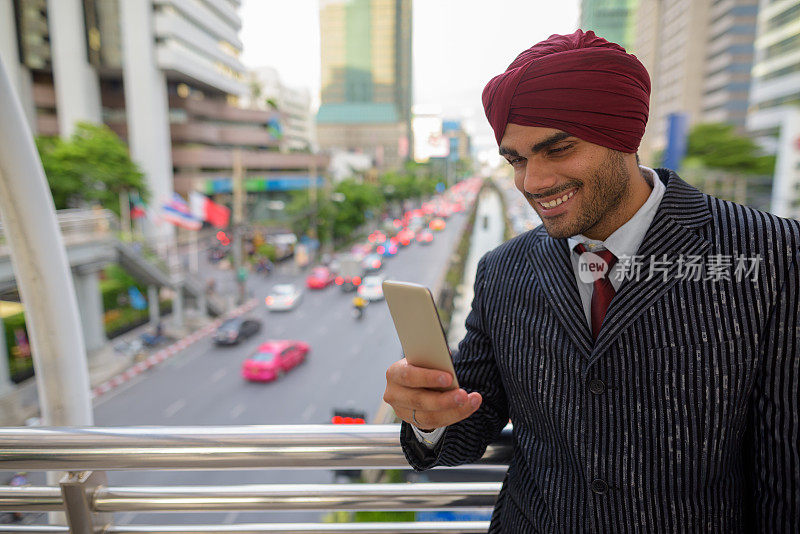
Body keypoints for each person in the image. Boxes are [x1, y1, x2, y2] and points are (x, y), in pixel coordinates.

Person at [382, 30, 799, 532]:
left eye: (557, 149)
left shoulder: (771, 253)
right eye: (516, 159)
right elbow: (465, 428)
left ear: (625, 137)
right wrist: (427, 415)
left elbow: (787, 473)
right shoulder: (502, 270)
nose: (531, 182)